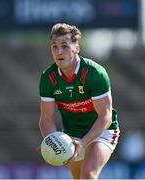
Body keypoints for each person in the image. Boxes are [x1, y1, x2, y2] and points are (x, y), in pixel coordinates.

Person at [39, 23, 120, 179]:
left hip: (102, 132)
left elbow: (105, 117)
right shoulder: (48, 78)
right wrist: (52, 141)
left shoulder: (94, 73)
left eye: (64, 46)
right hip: (71, 137)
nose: (59, 51)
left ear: (77, 48)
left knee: (88, 175)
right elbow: (46, 118)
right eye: (54, 47)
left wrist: (83, 142)